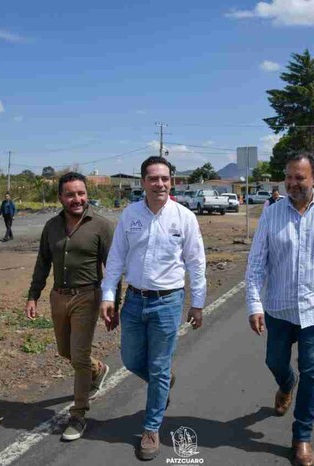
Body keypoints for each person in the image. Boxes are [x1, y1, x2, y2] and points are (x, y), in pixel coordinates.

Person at [246, 154, 314, 466]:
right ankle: (285, 384)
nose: (293, 184)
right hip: (279, 309)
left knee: (313, 372)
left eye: (300, 178)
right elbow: (256, 264)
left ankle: (302, 436)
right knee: (275, 362)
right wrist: (254, 304)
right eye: (289, 178)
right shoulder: (271, 213)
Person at [100, 156, 206, 461]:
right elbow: (117, 258)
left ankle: (150, 428)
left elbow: (196, 264)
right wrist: (109, 295)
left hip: (168, 302)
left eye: (165, 178)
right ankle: (162, 383)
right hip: (134, 300)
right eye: (153, 178)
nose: (160, 183)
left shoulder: (184, 217)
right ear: (143, 182)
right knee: (131, 360)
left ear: (171, 181)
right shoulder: (130, 215)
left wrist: (197, 304)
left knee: (159, 366)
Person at [25, 172, 115, 441]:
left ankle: (78, 415)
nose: (77, 199)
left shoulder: (101, 226)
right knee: (65, 350)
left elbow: (113, 269)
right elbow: (42, 263)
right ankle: (97, 369)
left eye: (81, 193)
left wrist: (114, 303)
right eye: (70, 194)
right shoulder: (51, 226)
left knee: (78, 357)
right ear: (61, 197)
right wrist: (33, 296)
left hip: (87, 297)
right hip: (58, 296)